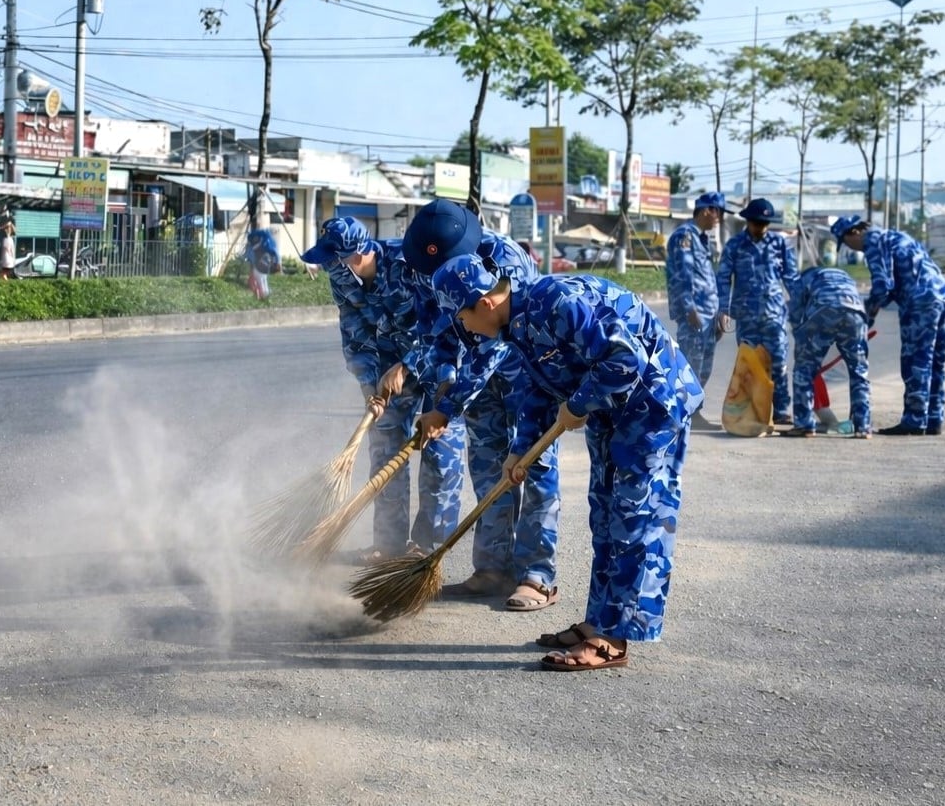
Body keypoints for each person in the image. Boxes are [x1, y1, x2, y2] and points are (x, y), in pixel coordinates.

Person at [429, 253, 703, 671]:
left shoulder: (555, 301)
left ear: (484, 302)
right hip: (615, 411)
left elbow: (625, 360)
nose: (464, 328)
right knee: (606, 516)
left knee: (633, 520)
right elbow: (538, 392)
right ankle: (600, 621)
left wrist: (578, 403)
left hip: (653, 405)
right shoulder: (517, 326)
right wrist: (520, 450)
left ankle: (613, 638)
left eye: (461, 317)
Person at [403, 198, 563, 612]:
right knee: (490, 469)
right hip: (477, 389)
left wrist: (449, 406)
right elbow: (433, 330)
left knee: (534, 464)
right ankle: (492, 569)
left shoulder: (504, 257)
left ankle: (536, 576)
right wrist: (443, 379)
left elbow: (495, 342)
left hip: (529, 375)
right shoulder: (421, 265)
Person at [300, 216, 465, 561]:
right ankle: (388, 544)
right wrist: (367, 381)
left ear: (357, 253)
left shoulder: (410, 264)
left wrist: (406, 365)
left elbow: (441, 324)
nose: (330, 265)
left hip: (437, 359)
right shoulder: (342, 276)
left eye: (334, 258)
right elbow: (353, 330)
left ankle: (426, 549)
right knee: (385, 449)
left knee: (438, 451)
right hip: (389, 367)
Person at [831, 215, 945, 436]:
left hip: (920, 302)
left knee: (916, 360)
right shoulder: (895, 235)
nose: (852, 248)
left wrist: (867, 314)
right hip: (942, 296)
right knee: (936, 360)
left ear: (854, 232)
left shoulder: (873, 242)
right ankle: (934, 417)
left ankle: (914, 420)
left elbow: (883, 286)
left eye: (846, 242)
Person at [715, 198, 798, 425]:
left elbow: (792, 279)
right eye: (755, 223)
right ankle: (753, 411)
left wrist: (800, 307)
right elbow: (722, 278)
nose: (759, 228)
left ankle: (781, 410)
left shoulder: (780, 245)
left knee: (779, 364)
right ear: (748, 221)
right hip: (746, 317)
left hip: (774, 317)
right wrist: (722, 309)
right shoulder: (735, 245)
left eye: (763, 223)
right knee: (750, 366)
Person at [782, 265, 872, 439]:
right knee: (859, 372)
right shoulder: (845, 275)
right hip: (856, 314)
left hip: (822, 311)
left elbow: (794, 310)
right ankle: (863, 426)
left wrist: (801, 338)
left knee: (804, 370)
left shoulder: (804, 279)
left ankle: (804, 425)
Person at [666, 191, 730, 431]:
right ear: (707, 210)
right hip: (694, 314)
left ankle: (694, 414)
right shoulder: (684, 237)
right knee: (689, 367)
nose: (719, 219)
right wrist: (689, 308)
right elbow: (682, 276)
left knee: (703, 368)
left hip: (708, 315)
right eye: (719, 213)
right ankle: (681, 415)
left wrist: (719, 313)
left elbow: (708, 279)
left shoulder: (702, 239)